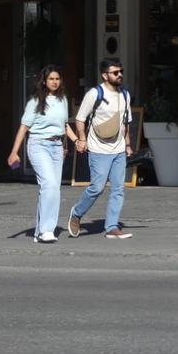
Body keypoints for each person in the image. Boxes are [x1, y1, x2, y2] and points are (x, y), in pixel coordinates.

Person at [8, 66, 78, 243]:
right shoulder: (35, 101)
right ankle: (47, 230)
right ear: (44, 81)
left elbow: (65, 125)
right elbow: (24, 127)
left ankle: (40, 231)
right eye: (51, 79)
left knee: (51, 188)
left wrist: (77, 141)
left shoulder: (63, 100)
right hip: (39, 145)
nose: (55, 82)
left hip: (56, 146)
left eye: (57, 78)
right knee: (50, 185)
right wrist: (14, 152)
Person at [69, 58, 133, 240]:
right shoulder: (95, 94)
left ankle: (112, 227)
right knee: (97, 188)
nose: (119, 75)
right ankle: (76, 213)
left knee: (118, 189)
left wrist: (127, 145)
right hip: (98, 149)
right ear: (105, 75)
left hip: (118, 150)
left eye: (121, 71)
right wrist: (82, 138)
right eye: (115, 72)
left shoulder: (125, 95)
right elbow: (80, 118)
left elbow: (126, 123)